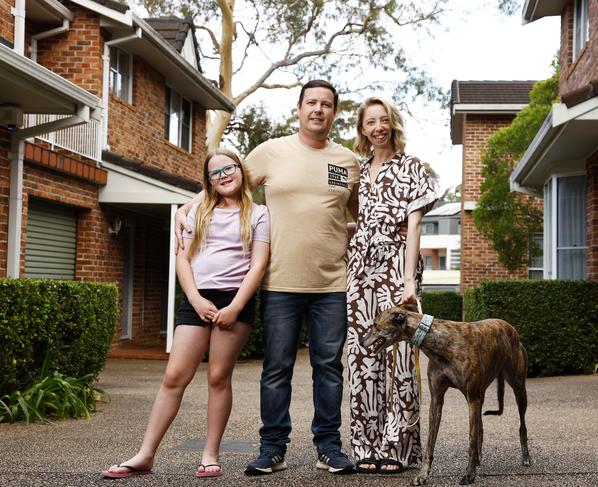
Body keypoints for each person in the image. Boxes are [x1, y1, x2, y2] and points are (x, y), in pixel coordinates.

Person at [175, 80, 360, 475]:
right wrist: (185, 208)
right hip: (279, 283)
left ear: (334, 113)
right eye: (311, 102)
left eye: (326, 104)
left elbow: (355, 216)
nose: (318, 110)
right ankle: (272, 448)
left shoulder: (347, 161)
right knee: (277, 367)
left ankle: (328, 446)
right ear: (299, 108)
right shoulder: (271, 152)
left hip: (331, 284)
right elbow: (223, 181)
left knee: (329, 366)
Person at [102, 148, 270, 479]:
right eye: (216, 173)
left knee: (218, 376)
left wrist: (235, 306)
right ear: (208, 182)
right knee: (174, 376)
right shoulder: (195, 214)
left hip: (235, 300)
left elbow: (259, 263)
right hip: (198, 298)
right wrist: (194, 299)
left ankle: (210, 454)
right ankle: (145, 454)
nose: (224, 176)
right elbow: (182, 259)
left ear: (241, 170)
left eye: (229, 168)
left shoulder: (259, 213)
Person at [346, 97, 436, 474]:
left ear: (393, 124)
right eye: (371, 122)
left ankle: (397, 447)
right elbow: (351, 211)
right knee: (363, 356)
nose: (378, 127)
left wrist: (409, 279)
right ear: (362, 129)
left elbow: (413, 225)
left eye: (384, 120)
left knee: (398, 358)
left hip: (397, 268)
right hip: (359, 271)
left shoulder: (413, 167)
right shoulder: (357, 170)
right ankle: (366, 446)